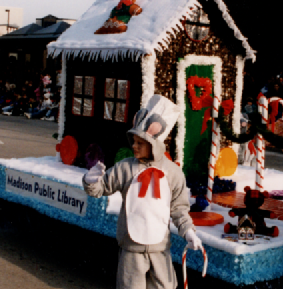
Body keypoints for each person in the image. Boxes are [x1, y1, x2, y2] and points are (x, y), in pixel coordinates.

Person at [83, 95, 201, 289]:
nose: (134, 146)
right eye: (134, 141)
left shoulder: (173, 173)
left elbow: (179, 209)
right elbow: (100, 188)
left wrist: (189, 232)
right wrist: (90, 182)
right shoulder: (125, 168)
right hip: (131, 249)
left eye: (140, 142)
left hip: (160, 248)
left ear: (154, 144)